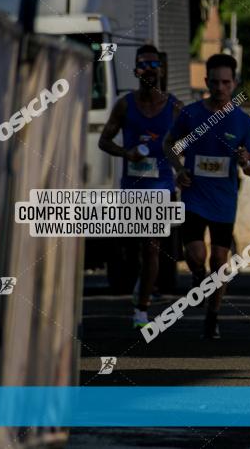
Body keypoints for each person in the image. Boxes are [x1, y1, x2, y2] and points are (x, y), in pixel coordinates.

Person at [163, 54, 250, 339]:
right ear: (206, 82)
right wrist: (178, 168)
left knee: (219, 261)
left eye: (226, 82)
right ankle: (196, 276)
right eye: (215, 82)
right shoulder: (191, 114)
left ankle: (212, 317)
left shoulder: (243, 121)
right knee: (196, 255)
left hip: (224, 201)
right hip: (193, 195)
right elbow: (170, 144)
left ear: (235, 84)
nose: (220, 87)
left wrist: (245, 162)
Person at [98, 44, 183, 329]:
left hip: (161, 184)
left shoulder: (174, 107)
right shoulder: (124, 104)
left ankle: (141, 310)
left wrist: (180, 164)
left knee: (152, 247)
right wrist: (127, 153)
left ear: (162, 69)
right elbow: (104, 141)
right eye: (145, 65)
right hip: (132, 185)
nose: (150, 69)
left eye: (155, 64)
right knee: (135, 247)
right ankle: (141, 287)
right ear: (136, 70)